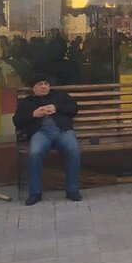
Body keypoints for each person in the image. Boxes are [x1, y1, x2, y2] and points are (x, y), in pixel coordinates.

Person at [12, 73, 81, 206]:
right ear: (33, 88)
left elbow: (74, 109)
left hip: (63, 132)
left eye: (46, 84)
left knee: (73, 150)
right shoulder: (27, 102)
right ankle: (35, 193)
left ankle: (72, 190)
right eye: (40, 84)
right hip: (41, 134)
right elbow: (17, 121)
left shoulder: (60, 96)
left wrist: (56, 108)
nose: (44, 86)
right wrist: (33, 114)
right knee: (34, 153)